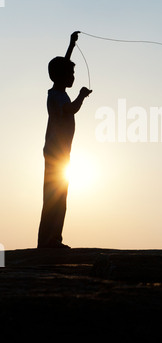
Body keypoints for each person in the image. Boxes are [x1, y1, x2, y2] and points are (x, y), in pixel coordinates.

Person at [37, 31, 92, 248]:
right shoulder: (56, 97)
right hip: (55, 154)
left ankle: (53, 239)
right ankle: (49, 241)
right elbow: (70, 110)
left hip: (61, 154)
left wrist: (70, 45)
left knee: (59, 199)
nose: (73, 76)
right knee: (54, 199)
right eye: (70, 73)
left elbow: (64, 66)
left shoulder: (58, 90)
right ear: (61, 77)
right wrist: (82, 96)